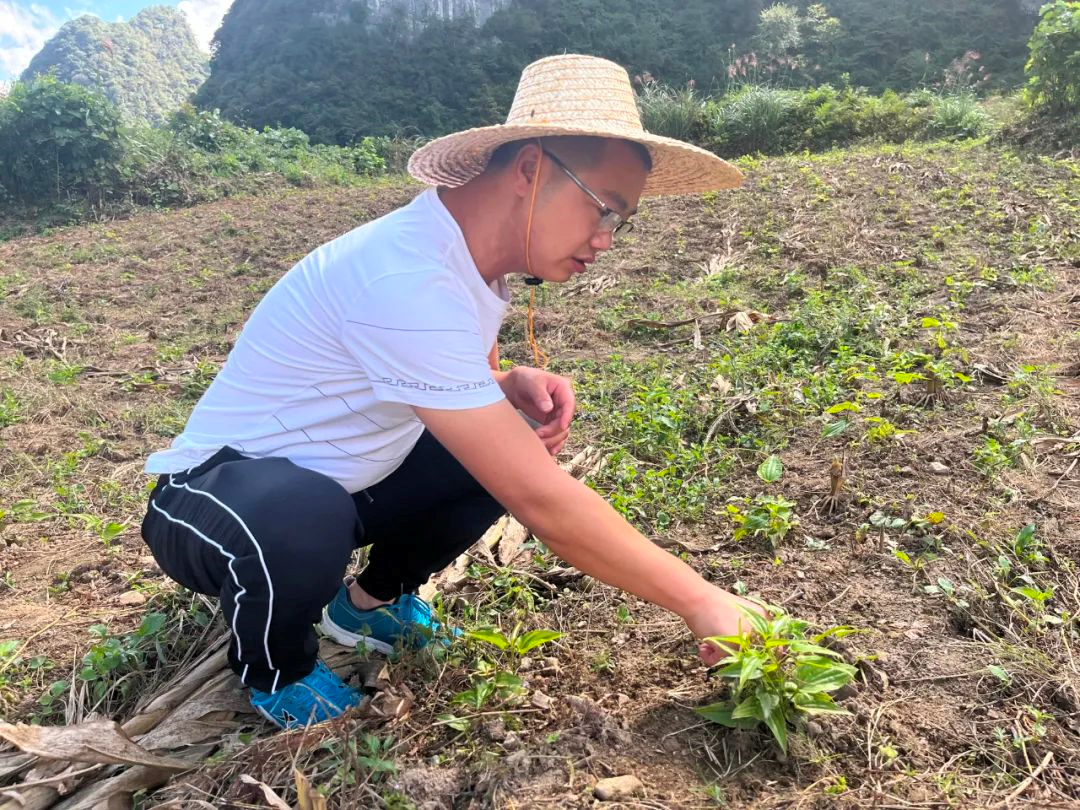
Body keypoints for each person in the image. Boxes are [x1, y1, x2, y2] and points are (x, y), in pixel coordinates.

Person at [140, 54, 759, 730]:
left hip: (342, 485)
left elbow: (431, 384)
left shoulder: (472, 266)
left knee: (501, 440)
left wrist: (501, 382)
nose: (607, 240)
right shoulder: (404, 275)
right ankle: (275, 669)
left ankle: (364, 606)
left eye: (622, 222)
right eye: (605, 209)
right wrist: (700, 601)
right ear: (531, 169)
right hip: (212, 501)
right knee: (303, 516)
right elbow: (538, 497)